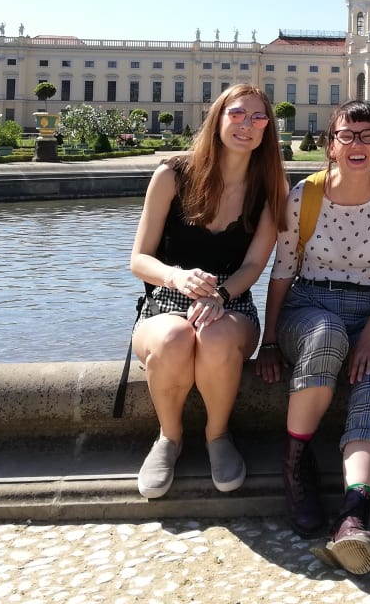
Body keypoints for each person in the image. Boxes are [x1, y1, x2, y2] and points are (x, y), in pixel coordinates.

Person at [255, 100, 370, 575]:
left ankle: (353, 513)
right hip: (308, 306)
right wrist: (268, 342)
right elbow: (282, 274)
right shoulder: (304, 195)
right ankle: (296, 466)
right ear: (330, 146)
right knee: (326, 337)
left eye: (368, 136)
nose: (357, 144)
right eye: (347, 135)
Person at [128, 82, 288, 499]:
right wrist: (176, 277)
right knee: (173, 336)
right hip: (164, 301)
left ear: (267, 129)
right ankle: (169, 439)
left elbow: (254, 265)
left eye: (257, 118)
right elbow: (138, 259)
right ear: (218, 117)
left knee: (214, 337)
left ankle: (218, 437)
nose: (247, 125)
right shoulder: (172, 175)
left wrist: (220, 297)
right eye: (237, 113)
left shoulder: (269, 190)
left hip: (231, 303)